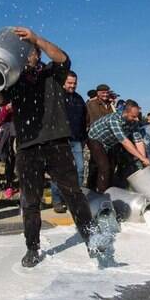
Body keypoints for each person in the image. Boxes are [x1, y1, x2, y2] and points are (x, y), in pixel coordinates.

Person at [0, 26, 101, 268]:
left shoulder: (51, 73)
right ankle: (32, 247)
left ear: (37, 53)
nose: (26, 55)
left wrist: (36, 38)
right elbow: (1, 98)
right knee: (30, 201)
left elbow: (63, 57)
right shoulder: (15, 79)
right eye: (23, 52)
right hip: (27, 147)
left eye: (30, 51)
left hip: (56, 142)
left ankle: (91, 238)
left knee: (73, 194)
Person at [88, 100, 150, 192]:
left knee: (112, 166)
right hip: (96, 139)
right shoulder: (114, 119)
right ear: (126, 112)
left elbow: (138, 141)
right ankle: (101, 194)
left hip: (111, 142)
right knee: (104, 167)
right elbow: (125, 142)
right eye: (133, 116)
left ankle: (108, 190)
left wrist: (144, 160)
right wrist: (141, 158)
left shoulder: (134, 122)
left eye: (137, 116)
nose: (136, 119)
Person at [50, 71, 87, 214]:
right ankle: (57, 199)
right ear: (64, 82)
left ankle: (73, 198)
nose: (72, 85)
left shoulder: (78, 99)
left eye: (74, 83)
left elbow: (83, 119)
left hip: (76, 139)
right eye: (70, 83)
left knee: (79, 170)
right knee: (59, 171)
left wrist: (83, 137)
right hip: (59, 140)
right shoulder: (56, 96)